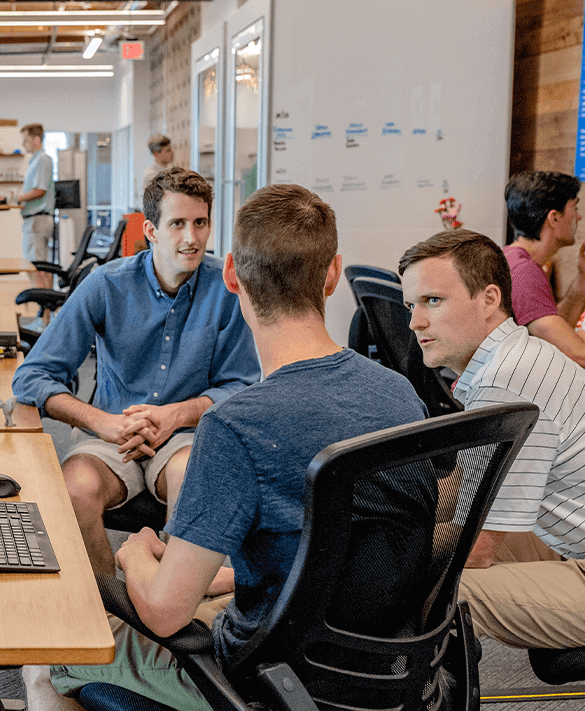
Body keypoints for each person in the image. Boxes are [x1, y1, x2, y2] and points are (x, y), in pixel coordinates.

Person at [23, 184, 429, 711]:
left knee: (42, 660)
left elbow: (166, 614)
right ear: (333, 273)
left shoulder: (237, 427)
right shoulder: (400, 393)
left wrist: (137, 556)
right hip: (381, 672)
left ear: (232, 275)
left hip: (261, 679)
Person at [12, 167, 260, 577]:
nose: (191, 238)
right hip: (112, 434)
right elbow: (33, 376)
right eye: (177, 224)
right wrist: (101, 422)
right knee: (74, 491)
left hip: (185, 436)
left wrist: (176, 415)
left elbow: (243, 386)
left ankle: (168, 605)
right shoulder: (105, 286)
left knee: (192, 483)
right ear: (151, 230)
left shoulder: (228, 289)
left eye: (201, 223)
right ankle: (109, 606)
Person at [398, 229, 585, 649]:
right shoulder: (513, 358)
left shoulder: (507, 380)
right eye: (411, 305)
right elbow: (466, 491)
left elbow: (478, 548)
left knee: (444, 590)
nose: (415, 322)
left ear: (489, 299)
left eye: (433, 301)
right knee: (413, 548)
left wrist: (346, 555)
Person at [503, 171, 585, 374]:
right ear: (554, 218)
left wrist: (583, 280)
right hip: (513, 400)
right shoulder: (524, 273)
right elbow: (576, 354)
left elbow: (554, 337)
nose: (579, 216)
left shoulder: (512, 259)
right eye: (574, 207)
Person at [17, 123, 56, 291]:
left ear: (36, 139)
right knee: (37, 267)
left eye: (26, 140)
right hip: (33, 220)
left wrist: (17, 198)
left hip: (38, 220)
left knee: (38, 268)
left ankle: (46, 314)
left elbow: (40, 190)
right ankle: (46, 312)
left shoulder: (43, 159)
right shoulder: (34, 161)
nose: (23, 145)